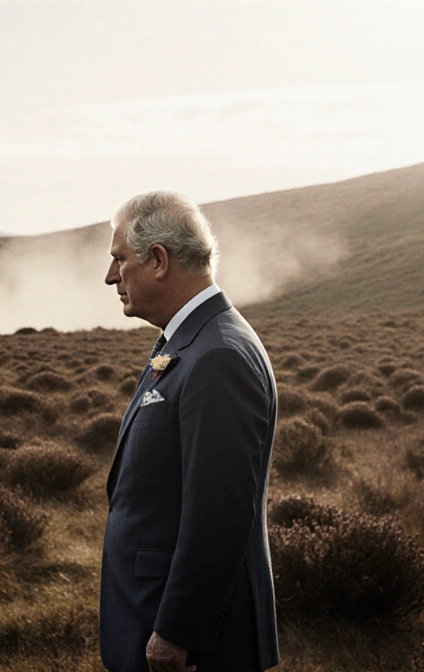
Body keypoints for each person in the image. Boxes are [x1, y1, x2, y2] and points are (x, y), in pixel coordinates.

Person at [100, 191, 279, 672]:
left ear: (158, 260)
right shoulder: (191, 341)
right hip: (157, 616)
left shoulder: (217, 355)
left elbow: (218, 511)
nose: (111, 276)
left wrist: (177, 631)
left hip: (194, 647)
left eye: (120, 259)